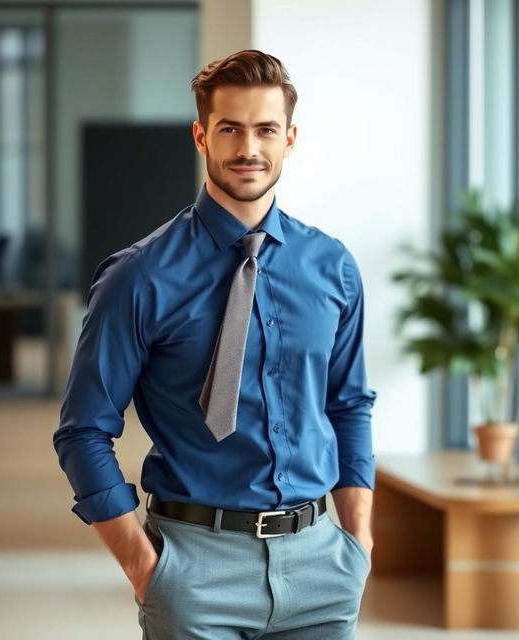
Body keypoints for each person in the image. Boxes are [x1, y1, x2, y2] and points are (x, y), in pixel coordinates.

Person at [54, 49, 377, 639]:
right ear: (201, 134)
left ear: (290, 138)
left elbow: (348, 403)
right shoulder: (139, 275)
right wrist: (145, 566)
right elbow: (83, 430)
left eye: (265, 130)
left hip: (322, 567)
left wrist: (358, 540)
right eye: (230, 128)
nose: (248, 148)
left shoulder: (333, 267)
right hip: (194, 568)